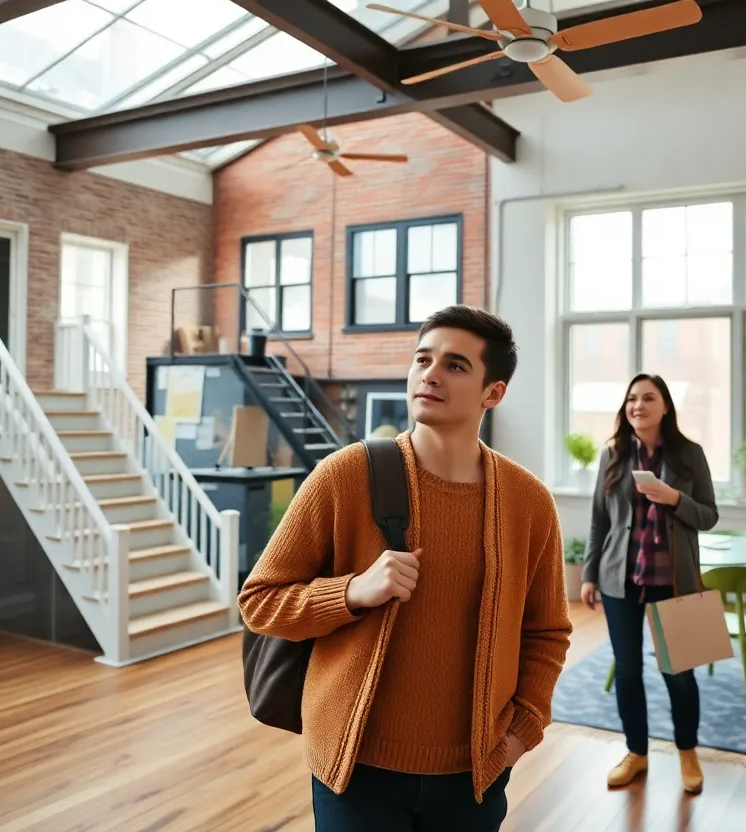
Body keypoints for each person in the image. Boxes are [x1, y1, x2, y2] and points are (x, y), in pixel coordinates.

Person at [238, 305, 572, 831]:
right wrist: (350, 593)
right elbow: (259, 601)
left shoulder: (527, 502)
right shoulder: (344, 475)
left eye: (456, 365)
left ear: (494, 392)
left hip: (475, 775)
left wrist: (520, 732)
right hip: (356, 770)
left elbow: (547, 631)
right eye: (423, 359)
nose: (430, 374)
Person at [580, 373, 718, 793]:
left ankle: (687, 752)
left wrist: (674, 498)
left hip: (675, 580)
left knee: (679, 673)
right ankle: (636, 752)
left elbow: (709, 516)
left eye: (648, 398)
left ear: (665, 407)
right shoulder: (614, 454)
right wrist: (588, 573)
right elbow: (599, 519)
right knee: (627, 671)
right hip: (621, 579)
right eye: (631, 399)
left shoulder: (689, 454)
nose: (637, 405)